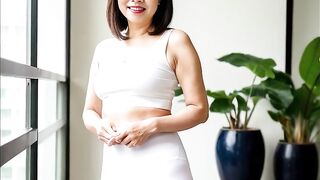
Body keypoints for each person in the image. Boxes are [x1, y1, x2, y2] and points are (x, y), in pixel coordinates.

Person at [82, 0, 209, 179]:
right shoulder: (103, 49)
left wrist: (150, 126)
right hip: (115, 164)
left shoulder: (175, 41)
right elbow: (90, 111)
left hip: (163, 162)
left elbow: (200, 110)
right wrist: (99, 125)